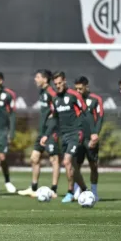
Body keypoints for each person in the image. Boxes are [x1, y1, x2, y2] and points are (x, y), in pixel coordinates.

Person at [45, 71, 90, 203]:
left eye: (59, 83)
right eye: (55, 84)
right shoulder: (55, 99)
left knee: (67, 161)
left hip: (76, 133)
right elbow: (54, 118)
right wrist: (46, 135)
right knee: (73, 167)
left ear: (64, 81)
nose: (58, 86)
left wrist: (89, 132)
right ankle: (85, 190)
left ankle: (70, 192)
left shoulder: (74, 95)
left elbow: (85, 112)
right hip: (63, 135)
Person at [18, 70, 60, 198]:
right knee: (34, 158)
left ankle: (54, 190)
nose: (35, 79)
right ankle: (33, 188)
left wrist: (53, 121)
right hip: (42, 132)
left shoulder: (52, 93)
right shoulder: (42, 92)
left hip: (51, 131)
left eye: (37, 77)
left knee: (54, 159)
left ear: (45, 79)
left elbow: (57, 110)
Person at [74, 76, 104, 200]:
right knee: (76, 165)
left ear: (87, 87)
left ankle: (94, 191)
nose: (78, 91)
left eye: (80, 88)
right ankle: (77, 190)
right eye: (76, 89)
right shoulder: (74, 99)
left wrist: (95, 133)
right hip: (78, 138)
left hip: (91, 138)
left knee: (93, 165)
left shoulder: (96, 99)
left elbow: (100, 117)